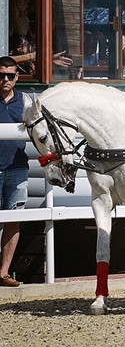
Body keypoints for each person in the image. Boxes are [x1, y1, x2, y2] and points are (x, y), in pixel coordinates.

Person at [0, 56, 29, 287]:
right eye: (1, 75)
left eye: (10, 75)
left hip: (18, 168)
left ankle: (3, 273)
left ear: (17, 77)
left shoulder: (27, 101)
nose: (5, 79)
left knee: (14, 220)